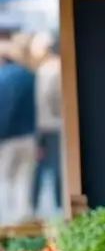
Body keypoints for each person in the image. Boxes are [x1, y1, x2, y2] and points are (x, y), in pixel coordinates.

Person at [0, 36, 38, 224]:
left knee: (5, 178)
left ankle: (6, 219)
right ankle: (23, 215)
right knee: (25, 177)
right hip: (29, 135)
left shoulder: (2, 78)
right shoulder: (29, 75)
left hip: (7, 137)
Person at [30, 31, 62, 216]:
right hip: (55, 125)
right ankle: (59, 204)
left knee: (41, 166)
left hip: (42, 124)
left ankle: (33, 203)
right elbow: (54, 97)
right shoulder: (56, 68)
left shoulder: (42, 68)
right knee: (57, 166)